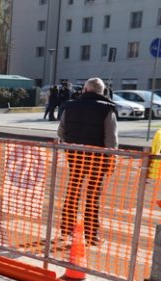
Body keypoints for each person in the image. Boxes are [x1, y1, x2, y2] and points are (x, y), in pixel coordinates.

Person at [57, 77, 118, 246]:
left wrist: (70, 147)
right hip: (97, 159)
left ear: (85, 90)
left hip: (75, 156)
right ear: (102, 92)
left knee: (73, 190)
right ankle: (91, 235)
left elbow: (61, 132)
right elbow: (111, 139)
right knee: (92, 195)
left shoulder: (70, 106)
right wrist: (112, 159)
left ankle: (66, 229)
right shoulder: (107, 109)